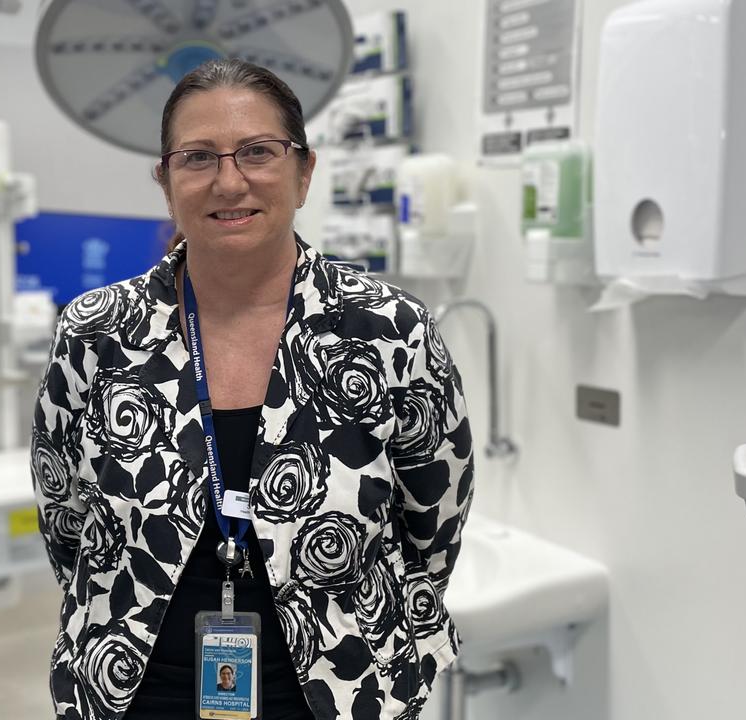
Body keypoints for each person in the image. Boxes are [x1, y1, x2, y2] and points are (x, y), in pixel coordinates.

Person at [32, 59, 474, 720]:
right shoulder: (97, 334)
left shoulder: (390, 332)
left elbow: (433, 522)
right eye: (198, 157)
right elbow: (65, 519)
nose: (228, 181)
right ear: (165, 179)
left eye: (258, 153)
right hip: (137, 689)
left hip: (339, 688)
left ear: (304, 171)